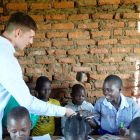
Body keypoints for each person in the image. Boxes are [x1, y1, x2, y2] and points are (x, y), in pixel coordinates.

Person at [0, 12, 75, 139]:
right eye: (30, 36)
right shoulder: (5, 58)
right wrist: (65, 111)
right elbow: (28, 103)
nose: (31, 41)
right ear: (18, 32)